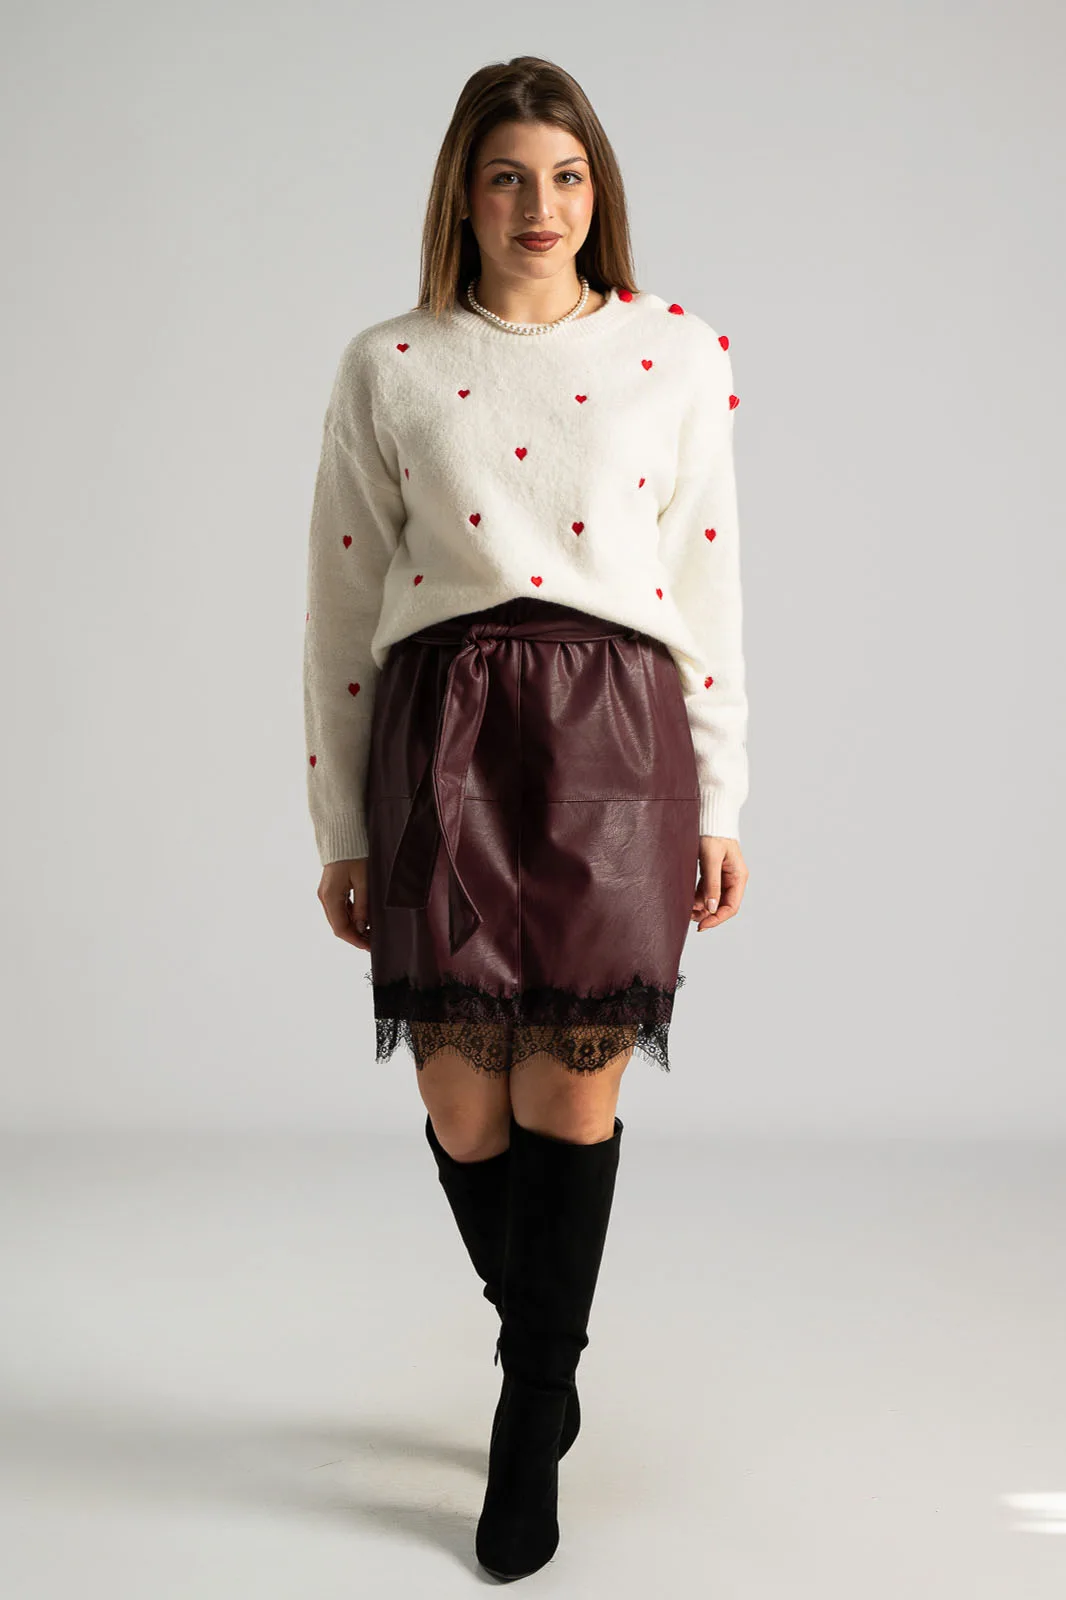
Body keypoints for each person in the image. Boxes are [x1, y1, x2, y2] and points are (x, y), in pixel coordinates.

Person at [302, 54, 750, 1581]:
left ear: (597, 194)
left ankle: (526, 1410)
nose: (538, 206)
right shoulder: (390, 364)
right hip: (439, 730)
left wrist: (722, 793)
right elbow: (338, 603)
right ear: (462, 196)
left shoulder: (673, 352)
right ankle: (543, 1356)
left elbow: (706, 581)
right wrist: (340, 826)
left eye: (564, 178)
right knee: (460, 1101)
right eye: (506, 177)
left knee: (569, 1085)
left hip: (615, 732)